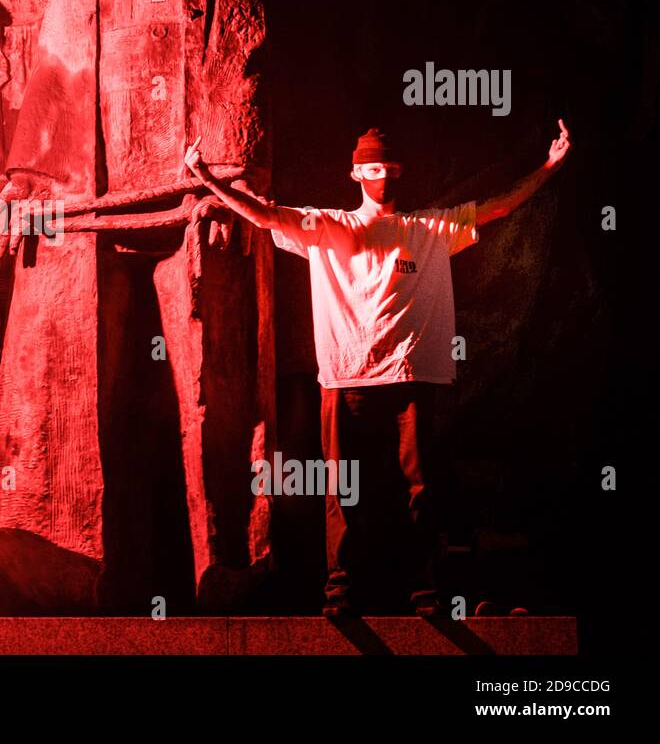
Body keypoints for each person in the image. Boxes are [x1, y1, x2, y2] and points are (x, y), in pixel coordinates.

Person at [184, 121, 572, 617]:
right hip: (347, 378)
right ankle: (341, 592)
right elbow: (262, 217)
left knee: (419, 487)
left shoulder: (427, 228)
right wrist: (207, 179)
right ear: (355, 173)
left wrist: (550, 165)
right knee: (344, 489)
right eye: (372, 169)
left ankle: (425, 593)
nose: (382, 177)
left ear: (400, 171)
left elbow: (497, 206)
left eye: (388, 168)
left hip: (413, 375)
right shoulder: (327, 226)